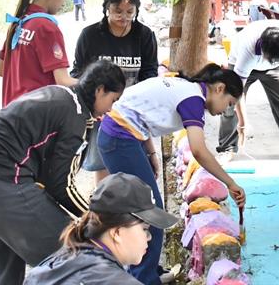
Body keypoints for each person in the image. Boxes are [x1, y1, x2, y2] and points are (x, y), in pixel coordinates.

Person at [0, 60, 126, 285]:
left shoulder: (59, 94)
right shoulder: (74, 113)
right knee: (75, 251)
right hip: (3, 182)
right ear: (100, 90)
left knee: (0, 270)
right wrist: (94, 218)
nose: (111, 109)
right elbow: (60, 184)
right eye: (112, 100)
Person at [97, 64, 247, 285]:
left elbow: (140, 113)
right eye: (230, 103)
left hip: (125, 136)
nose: (226, 109)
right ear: (219, 88)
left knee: (144, 207)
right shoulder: (193, 99)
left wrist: (150, 153)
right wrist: (231, 183)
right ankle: (144, 279)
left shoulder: (186, 88)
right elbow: (198, 149)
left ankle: (147, 271)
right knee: (150, 211)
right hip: (119, 138)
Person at [72, 0, 158, 184]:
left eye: (130, 12)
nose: (124, 17)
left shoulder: (144, 36)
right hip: (100, 111)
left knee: (132, 162)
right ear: (107, 8)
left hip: (132, 111)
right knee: (103, 163)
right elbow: (77, 72)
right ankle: (106, 206)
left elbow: (150, 72)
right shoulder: (90, 35)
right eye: (117, 11)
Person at [24, 172, 178, 285]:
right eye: (145, 229)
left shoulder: (68, 256)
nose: (149, 237)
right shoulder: (113, 280)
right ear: (117, 233)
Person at [217, 20, 279, 163]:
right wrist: (243, 123)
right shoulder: (248, 49)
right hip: (241, 64)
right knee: (229, 103)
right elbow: (237, 92)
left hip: (276, 69)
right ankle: (227, 149)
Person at [0, 0, 76, 107]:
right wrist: (93, 83)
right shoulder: (46, 28)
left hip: (10, 115)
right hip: (37, 118)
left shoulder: (18, 22)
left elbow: (1, 69)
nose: (63, 3)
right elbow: (63, 81)